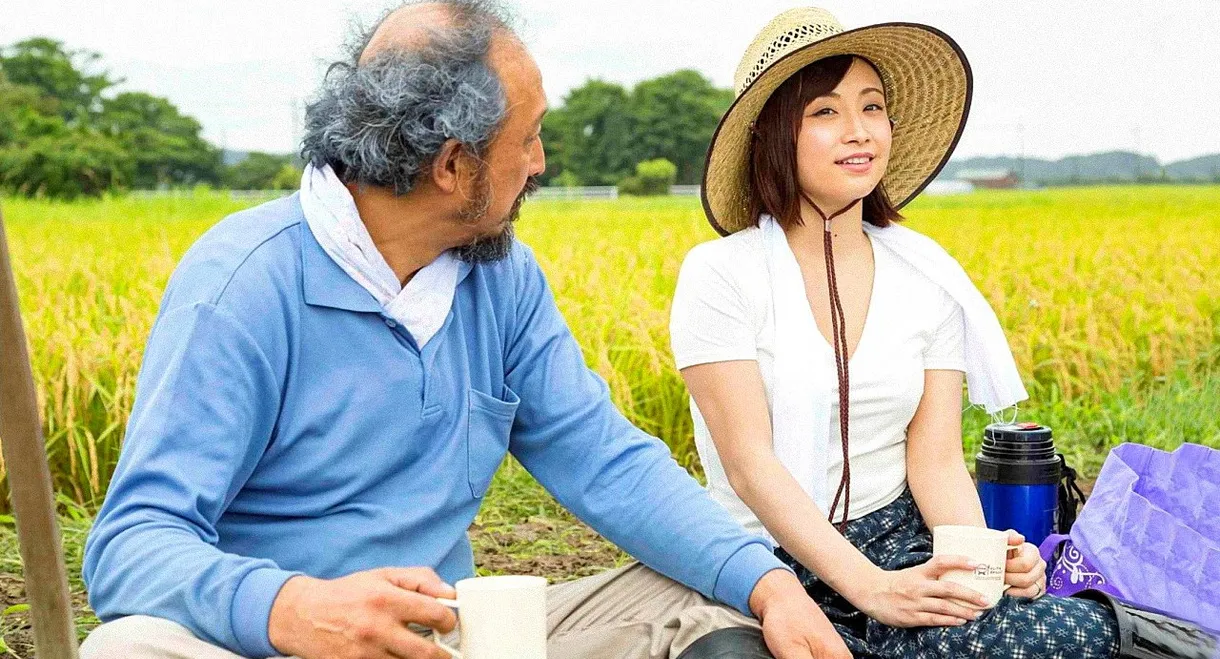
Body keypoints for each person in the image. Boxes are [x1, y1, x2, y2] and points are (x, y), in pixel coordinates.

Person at [78, 2, 834, 658]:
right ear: (451, 165)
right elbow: (131, 547)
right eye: (528, 137)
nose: (539, 163)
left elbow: (605, 459)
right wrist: (294, 609)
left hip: (447, 634)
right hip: (280, 642)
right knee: (125, 645)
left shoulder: (500, 277)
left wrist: (767, 581)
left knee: (709, 593)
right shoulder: (243, 284)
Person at [670, 7, 1128, 658]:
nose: (858, 132)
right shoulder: (719, 275)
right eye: (825, 112)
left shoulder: (927, 279)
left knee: (1027, 633)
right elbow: (750, 466)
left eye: (872, 107)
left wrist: (983, 566)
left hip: (895, 533)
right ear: (777, 134)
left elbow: (935, 459)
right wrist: (873, 589)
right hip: (762, 553)